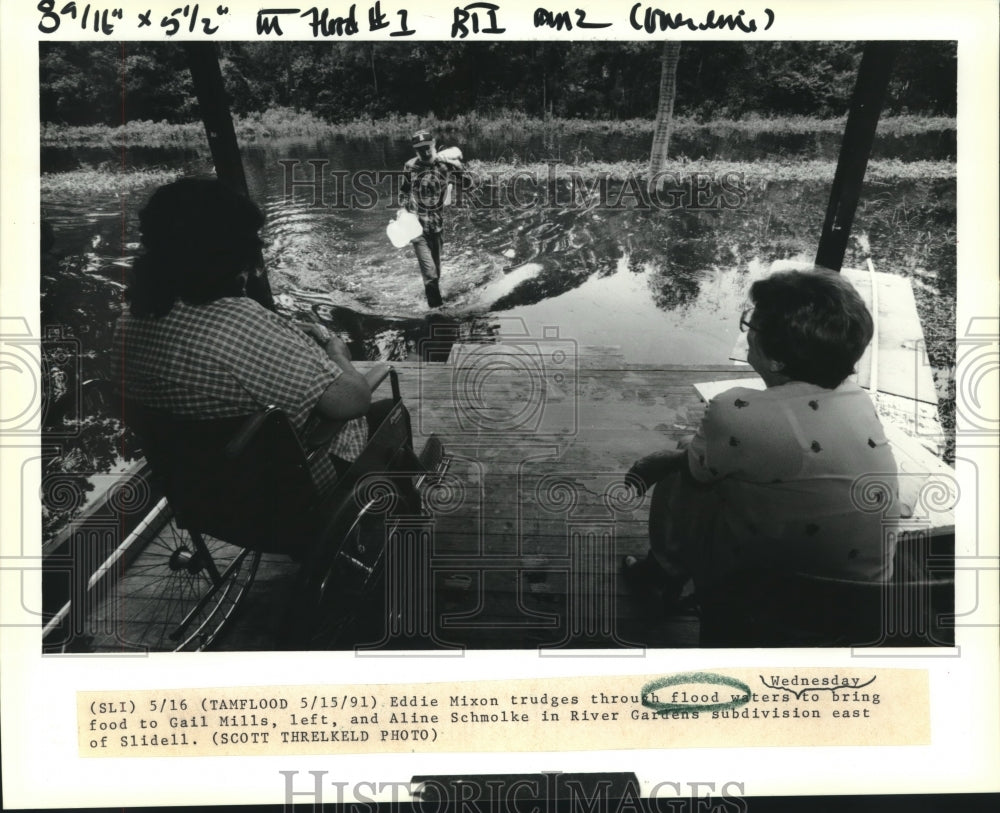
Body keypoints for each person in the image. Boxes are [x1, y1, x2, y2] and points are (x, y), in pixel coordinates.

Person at [622, 268, 902, 645]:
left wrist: (665, 461)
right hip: (864, 602)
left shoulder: (734, 410)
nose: (747, 333)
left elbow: (699, 469)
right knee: (705, 467)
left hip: (773, 597)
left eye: (752, 324)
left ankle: (662, 573)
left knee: (688, 477)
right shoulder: (859, 400)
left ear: (776, 361)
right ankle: (663, 571)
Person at [113, 177, 372, 498]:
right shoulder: (241, 322)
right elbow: (354, 401)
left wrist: (281, 340)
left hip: (205, 498)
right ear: (226, 253)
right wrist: (336, 354)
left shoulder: (127, 321)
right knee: (380, 412)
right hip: (288, 495)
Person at [398, 129, 464, 308]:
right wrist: (402, 211)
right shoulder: (410, 166)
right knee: (430, 276)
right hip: (417, 229)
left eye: (428, 148)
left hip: (437, 227)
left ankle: (432, 298)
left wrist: (457, 167)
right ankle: (437, 314)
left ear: (434, 145)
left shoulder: (445, 165)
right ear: (415, 151)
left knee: (436, 273)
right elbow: (404, 191)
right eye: (421, 150)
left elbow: (467, 183)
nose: (425, 152)